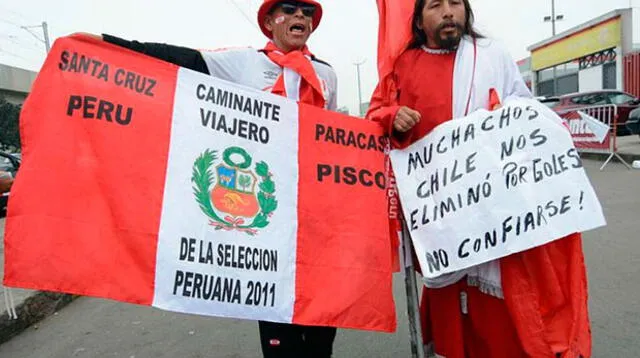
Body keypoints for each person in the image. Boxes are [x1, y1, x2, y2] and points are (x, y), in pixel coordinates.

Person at [79, 1, 338, 357]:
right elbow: (180, 59)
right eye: (290, 10)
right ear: (269, 21)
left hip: (313, 212)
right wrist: (107, 42)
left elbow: (335, 139)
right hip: (264, 209)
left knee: (323, 318)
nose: (300, 18)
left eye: (307, 13)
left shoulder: (326, 74)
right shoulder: (244, 62)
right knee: (277, 309)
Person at [367, 0, 591, 357]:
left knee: (501, 305)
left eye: (455, 3)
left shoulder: (491, 54)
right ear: (420, 20)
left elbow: (523, 101)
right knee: (450, 305)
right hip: (438, 212)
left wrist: (510, 115)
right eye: (436, 6)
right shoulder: (404, 64)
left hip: (495, 206)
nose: (448, 12)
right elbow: (376, 114)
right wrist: (393, 116)